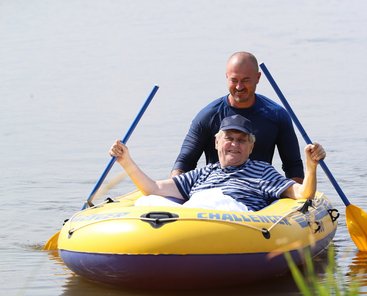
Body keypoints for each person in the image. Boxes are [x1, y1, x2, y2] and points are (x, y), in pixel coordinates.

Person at [110, 114, 326, 212]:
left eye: (242, 140)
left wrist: (311, 166)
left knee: (208, 201)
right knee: (147, 203)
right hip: (193, 216)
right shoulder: (203, 173)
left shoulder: (261, 171)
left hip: (233, 218)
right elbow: (153, 189)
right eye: (229, 138)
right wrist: (126, 161)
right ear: (216, 142)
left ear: (251, 147)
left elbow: (302, 194)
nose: (234, 144)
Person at [171, 51, 304, 183]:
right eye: (234, 80)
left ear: (258, 78)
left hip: (261, 192)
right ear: (227, 77)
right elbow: (184, 163)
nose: (239, 87)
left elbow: (293, 167)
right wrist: (173, 195)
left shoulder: (277, 115)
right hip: (215, 190)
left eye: (245, 80)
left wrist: (299, 197)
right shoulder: (208, 116)